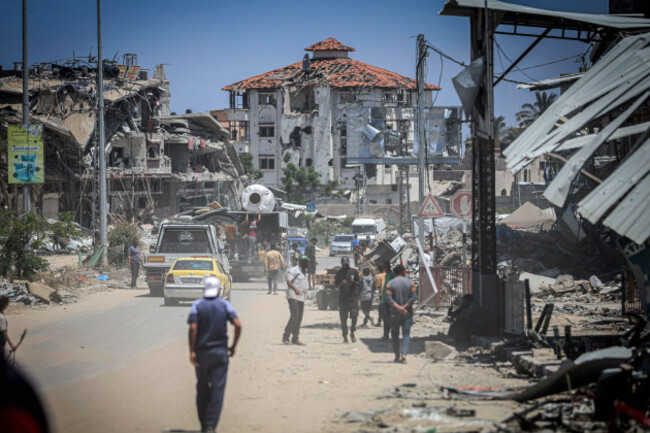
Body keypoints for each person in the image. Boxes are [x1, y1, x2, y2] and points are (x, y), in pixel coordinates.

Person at [187, 276, 242, 433]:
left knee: (202, 388)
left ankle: (204, 424)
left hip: (202, 353)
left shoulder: (198, 305)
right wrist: (233, 346)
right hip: (220, 352)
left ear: (204, 290)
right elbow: (238, 325)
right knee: (218, 389)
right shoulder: (224, 305)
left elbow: (192, 328)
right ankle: (211, 426)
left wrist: (191, 350)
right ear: (219, 290)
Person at [386, 264, 417, 363]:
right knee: (406, 335)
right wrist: (404, 307)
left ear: (395, 272)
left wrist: (398, 307)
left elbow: (389, 298)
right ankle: (404, 355)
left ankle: (396, 356)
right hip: (407, 313)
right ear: (404, 272)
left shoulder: (390, 284)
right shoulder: (411, 283)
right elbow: (414, 297)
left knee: (395, 335)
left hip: (394, 313)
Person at [283, 255, 309, 345]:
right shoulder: (294, 270)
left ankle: (295, 338)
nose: (306, 263)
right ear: (300, 261)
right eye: (304, 261)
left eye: (307, 262)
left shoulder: (304, 272)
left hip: (301, 297)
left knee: (299, 318)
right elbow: (289, 282)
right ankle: (286, 337)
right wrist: (295, 289)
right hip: (293, 296)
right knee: (294, 316)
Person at [335, 256, 360, 343]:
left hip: (353, 298)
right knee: (343, 318)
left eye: (346, 264)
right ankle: (345, 336)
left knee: (354, 316)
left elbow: (359, 283)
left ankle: (352, 332)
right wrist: (342, 283)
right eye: (344, 264)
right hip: (343, 299)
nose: (345, 266)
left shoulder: (354, 271)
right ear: (341, 264)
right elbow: (336, 286)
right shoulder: (339, 273)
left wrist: (353, 282)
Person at [377, 261, 395, 341]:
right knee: (386, 318)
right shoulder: (387, 275)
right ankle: (386, 335)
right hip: (384, 300)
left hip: (388, 300)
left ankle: (389, 335)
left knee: (388, 319)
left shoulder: (391, 276)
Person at [0, 295, 17, 360]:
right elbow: (4, 332)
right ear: (4, 304)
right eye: (7, 304)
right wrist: (12, 345)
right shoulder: (1, 317)